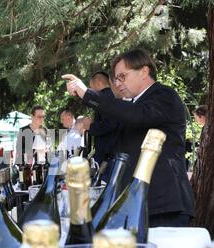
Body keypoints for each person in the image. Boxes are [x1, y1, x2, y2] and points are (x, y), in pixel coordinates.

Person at [63, 48, 195, 228]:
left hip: (164, 205)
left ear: (144, 71)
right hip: (138, 205)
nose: (117, 84)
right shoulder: (132, 104)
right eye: (116, 79)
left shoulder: (164, 95)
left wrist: (88, 94)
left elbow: (135, 115)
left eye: (122, 76)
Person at [83, 71, 121, 182]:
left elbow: (110, 124)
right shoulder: (112, 97)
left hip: (107, 155)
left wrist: (90, 126)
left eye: (91, 87)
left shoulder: (105, 98)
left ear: (99, 82)